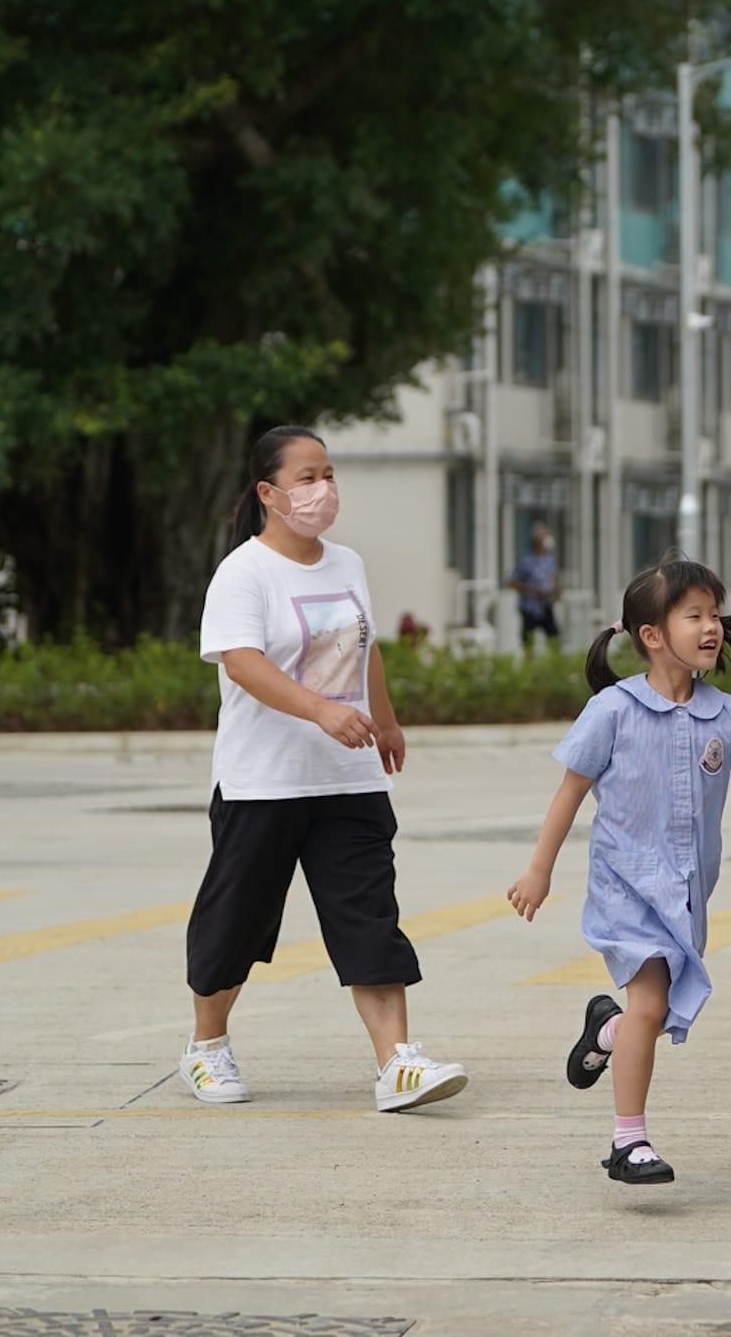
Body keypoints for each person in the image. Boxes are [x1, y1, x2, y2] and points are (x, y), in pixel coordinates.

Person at [506, 557, 731, 1184]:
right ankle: (630, 1143)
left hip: (684, 892)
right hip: (624, 889)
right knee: (652, 1002)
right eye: (693, 616)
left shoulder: (727, 715)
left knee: (651, 1015)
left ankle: (608, 1031)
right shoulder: (614, 711)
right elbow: (570, 790)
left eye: (714, 615)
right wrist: (539, 869)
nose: (711, 628)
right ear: (652, 635)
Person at [180, 425, 467, 1113]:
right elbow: (242, 661)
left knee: (369, 916)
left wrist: (385, 718)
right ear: (268, 492)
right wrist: (319, 711)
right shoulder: (243, 572)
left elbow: (362, 645)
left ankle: (397, 1063)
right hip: (264, 781)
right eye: (306, 478)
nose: (323, 490)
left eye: (329, 474)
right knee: (239, 921)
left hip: (349, 780)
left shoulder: (347, 564)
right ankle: (206, 1047)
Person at [507, 523, 561, 652]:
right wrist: (531, 590)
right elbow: (512, 582)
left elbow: (554, 578)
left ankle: (556, 664)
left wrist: (554, 591)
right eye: (544, 536)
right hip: (530, 608)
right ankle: (529, 667)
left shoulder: (549, 560)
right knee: (528, 641)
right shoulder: (525, 560)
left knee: (553, 637)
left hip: (546, 606)